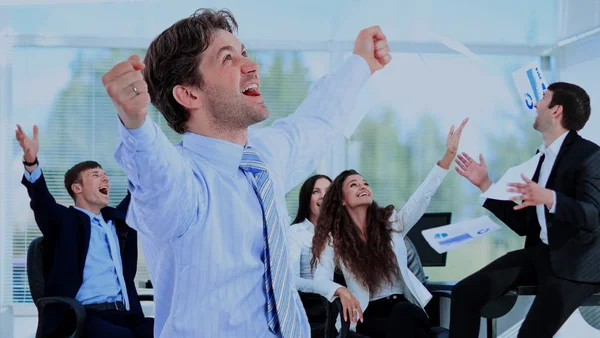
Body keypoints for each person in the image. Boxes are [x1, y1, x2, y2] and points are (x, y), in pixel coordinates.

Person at [101, 8, 391, 338]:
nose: (251, 66)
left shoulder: (263, 158)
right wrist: (136, 125)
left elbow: (316, 121)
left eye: (244, 53)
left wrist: (361, 63)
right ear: (189, 94)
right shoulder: (184, 183)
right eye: (228, 59)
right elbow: (155, 176)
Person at [451, 82, 600, 338]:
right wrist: (486, 185)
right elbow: (525, 225)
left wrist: (550, 198)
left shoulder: (589, 155)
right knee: (464, 293)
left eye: (543, 97)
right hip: (540, 254)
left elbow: (593, 216)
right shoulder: (541, 158)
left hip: (576, 265)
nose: (536, 104)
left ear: (556, 110)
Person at [310, 119, 468, 338]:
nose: (362, 187)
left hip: (405, 309)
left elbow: (421, 197)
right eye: (354, 185)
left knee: (404, 314)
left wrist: (448, 155)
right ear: (342, 200)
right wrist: (340, 290)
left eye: (365, 183)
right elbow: (319, 279)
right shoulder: (333, 239)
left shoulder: (391, 223)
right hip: (369, 316)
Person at [16, 125, 153, 338]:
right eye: (96, 175)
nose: (105, 178)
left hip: (127, 315)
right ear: (77, 188)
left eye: (106, 175)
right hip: (84, 316)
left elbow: (138, 191)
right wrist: (31, 163)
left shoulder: (118, 222)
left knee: (170, 328)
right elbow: (42, 201)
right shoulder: (64, 222)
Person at [288, 175, 332, 331]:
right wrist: (329, 288)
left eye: (328, 191)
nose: (323, 197)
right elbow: (292, 280)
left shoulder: (344, 234)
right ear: (307, 199)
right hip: (313, 307)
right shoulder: (295, 233)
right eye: (316, 192)